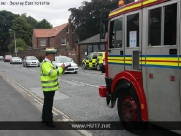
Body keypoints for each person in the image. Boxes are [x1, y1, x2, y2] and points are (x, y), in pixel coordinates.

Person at [40, 48, 70, 127]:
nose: (54, 57)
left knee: (46, 104)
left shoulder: (50, 63)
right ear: (49, 55)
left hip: (50, 88)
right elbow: (52, 73)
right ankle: (49, 121)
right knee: (49, 105)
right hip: (48, 88)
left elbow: (57, 73)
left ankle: (44, 118)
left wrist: (63, 69)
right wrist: (61, 68)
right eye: (53, 55)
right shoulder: (45, 64)